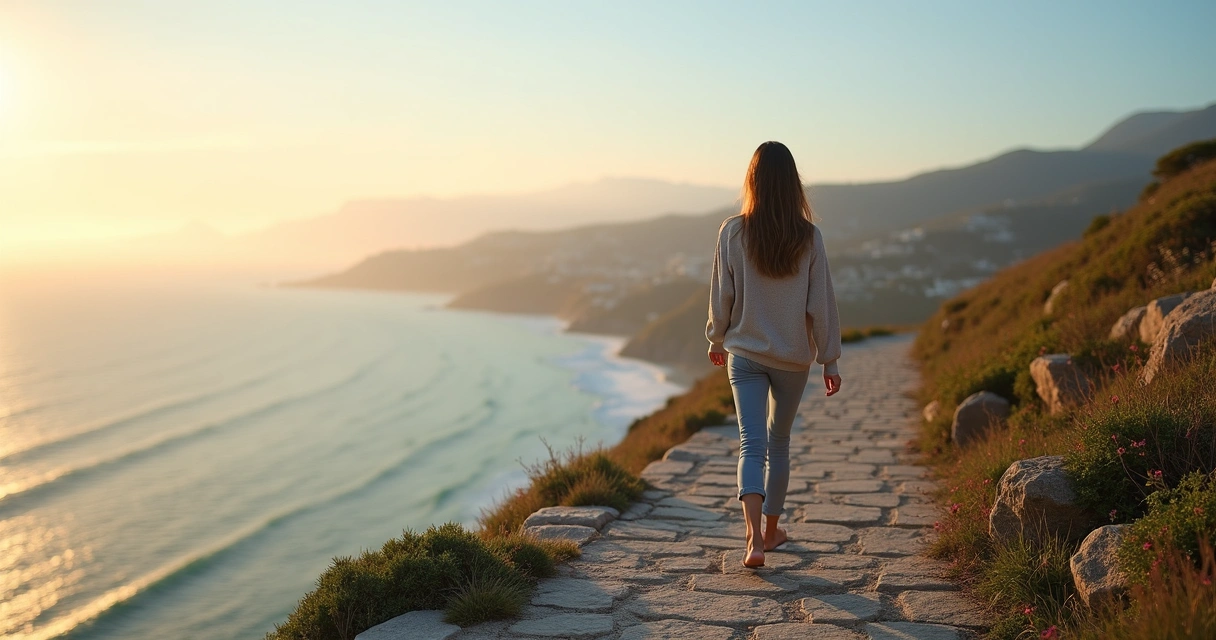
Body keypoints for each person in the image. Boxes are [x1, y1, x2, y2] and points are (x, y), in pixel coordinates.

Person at [706, 141, 842, 568]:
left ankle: (753, 542)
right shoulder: (809, 237)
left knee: (751, 443)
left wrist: (716, 338)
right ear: (793, 184)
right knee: (778, 444)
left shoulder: (732, 231)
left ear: (753, 181)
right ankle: (770, 531)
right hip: (792, 360)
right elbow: (821, 303)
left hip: (744, 355)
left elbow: (721, 296)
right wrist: (830, 360)